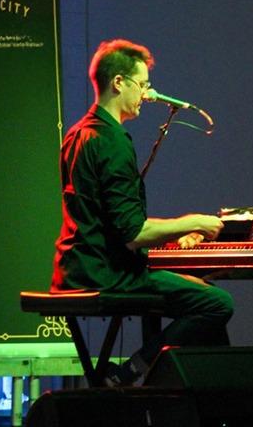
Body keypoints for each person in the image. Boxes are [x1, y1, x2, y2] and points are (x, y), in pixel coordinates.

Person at [51, 39, 234, 385]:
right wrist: (193, 222)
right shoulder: (113, 142)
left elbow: (108, 220)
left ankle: (187, 394)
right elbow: (132, 234)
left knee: (199, 288)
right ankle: (135, 371)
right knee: (217, 303)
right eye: (143, 84)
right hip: (107, 276)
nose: (147, 95)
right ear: (118, 82)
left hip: (75, 269)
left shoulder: (78, 134)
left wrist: (175, 233)